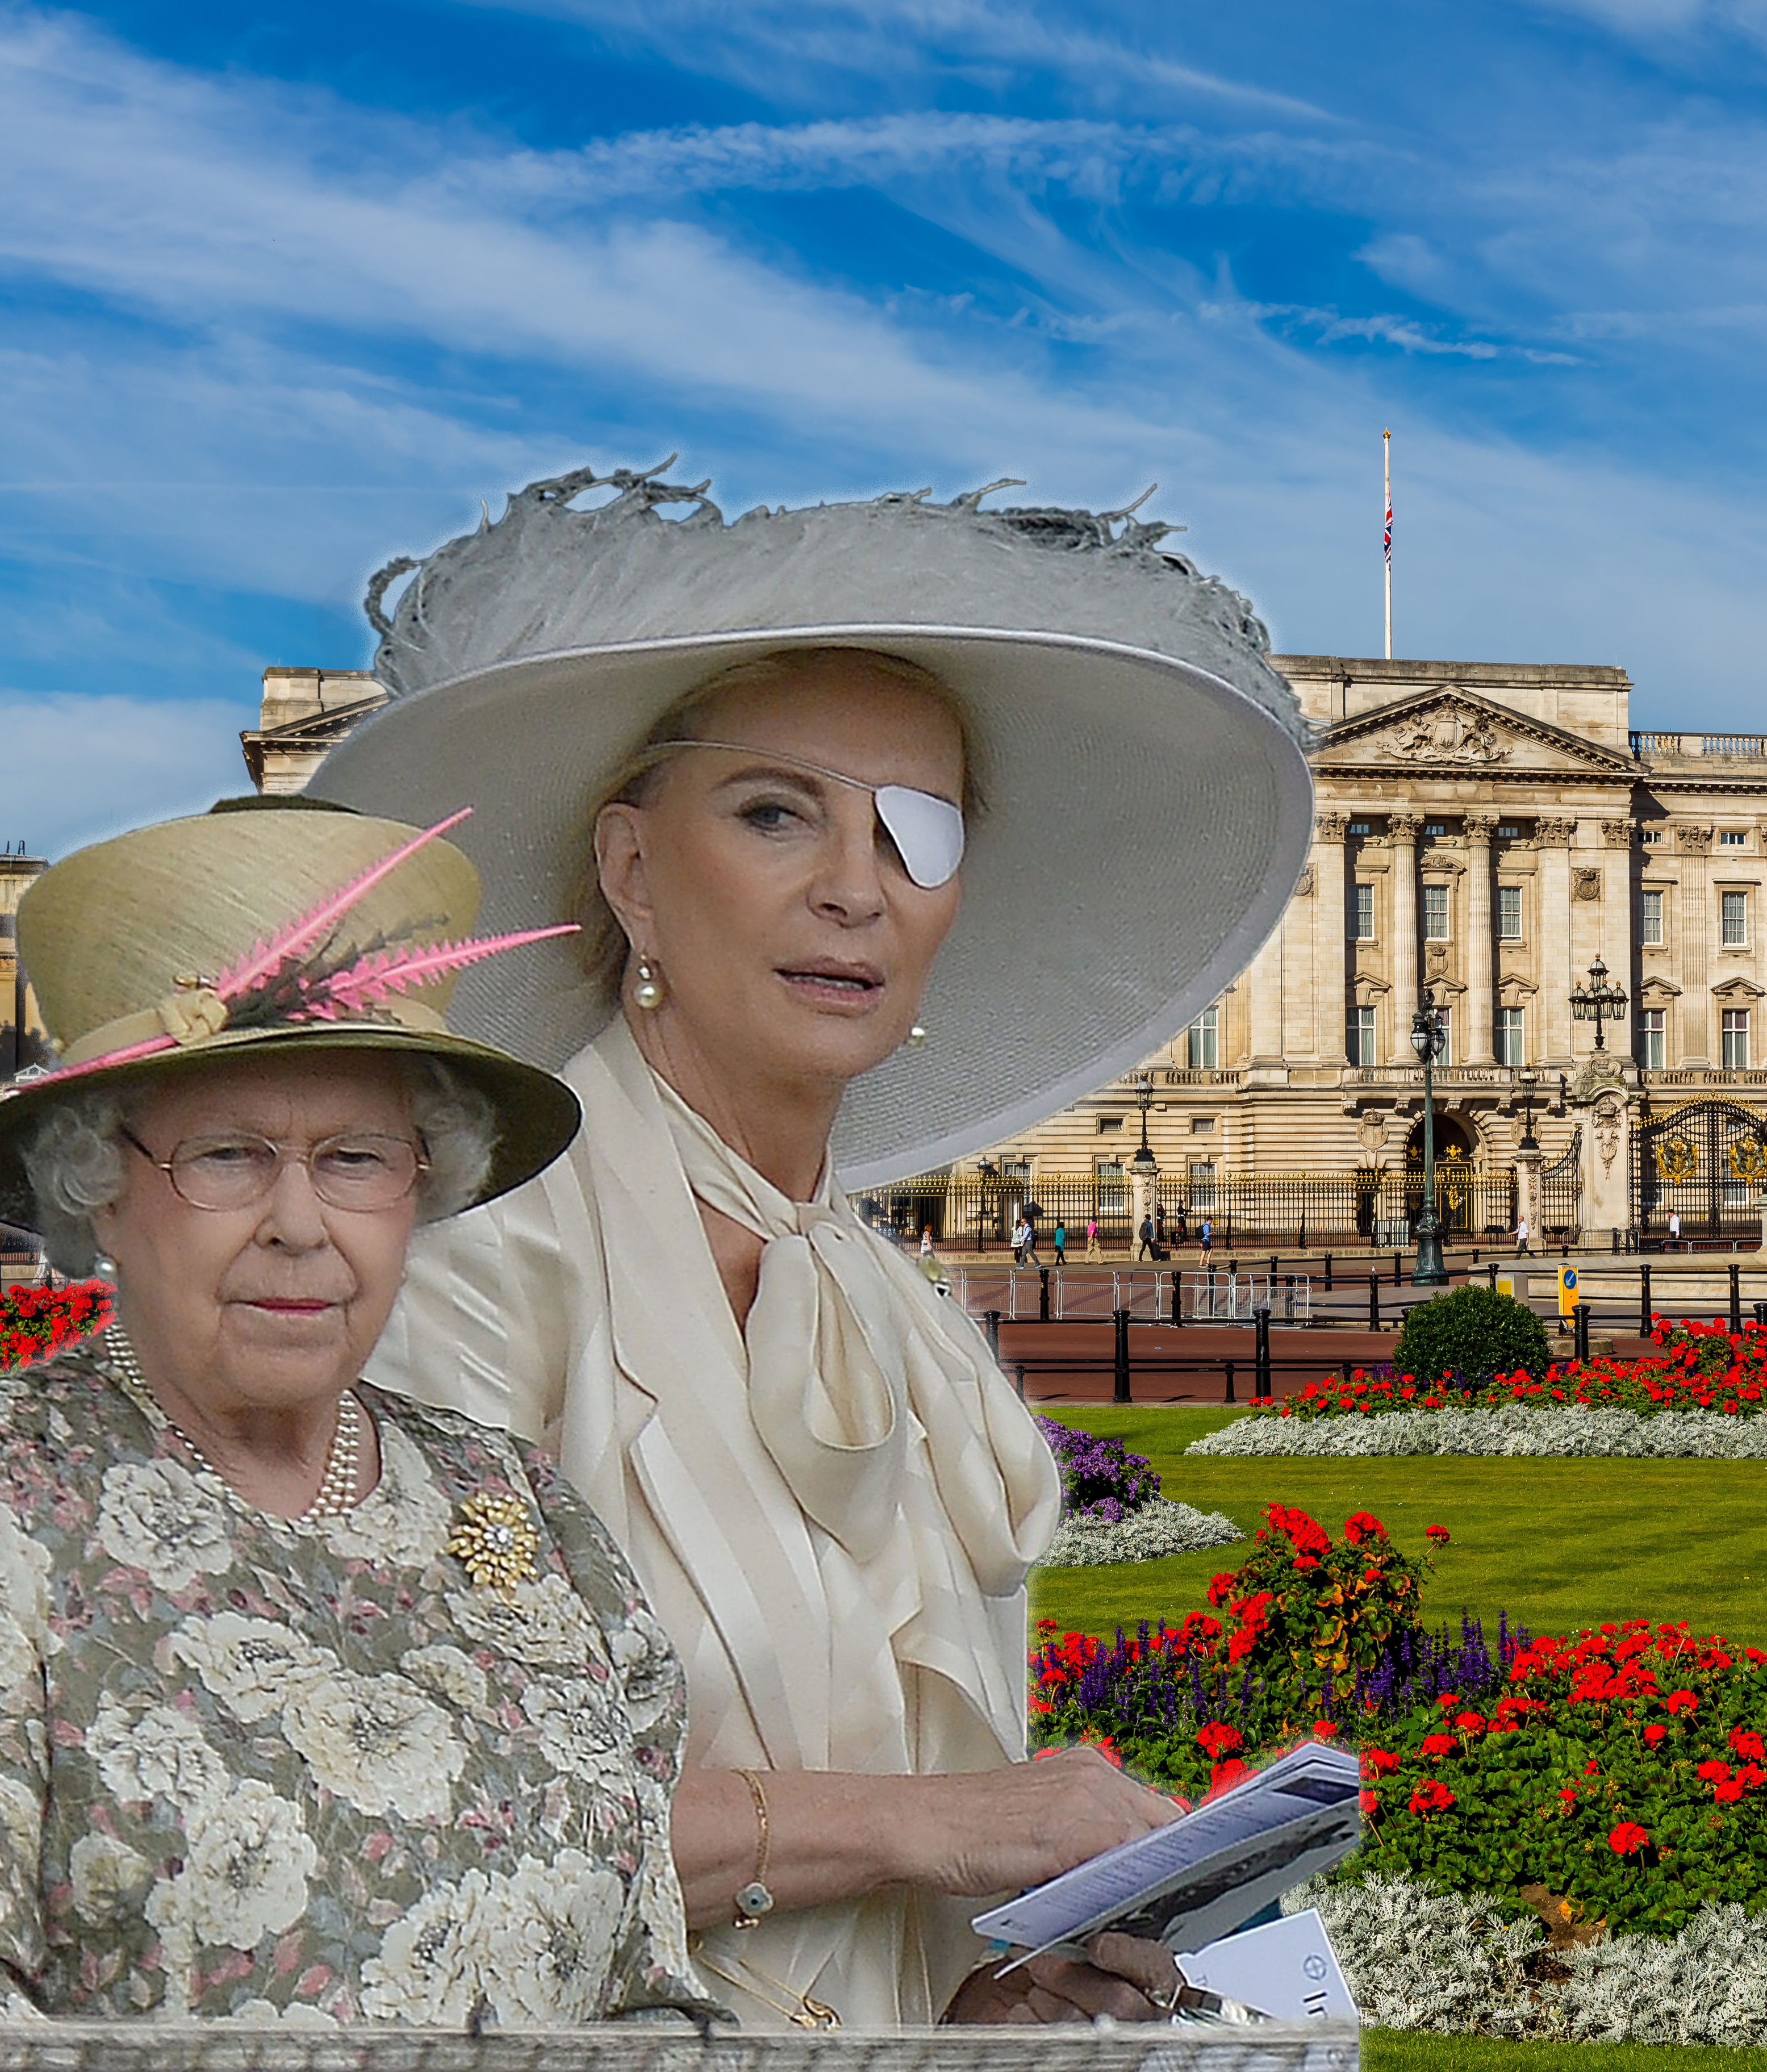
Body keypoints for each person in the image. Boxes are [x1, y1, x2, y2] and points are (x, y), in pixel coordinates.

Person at [314, 467, 1315, 2027]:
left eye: (916, 832)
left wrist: (991, 2005)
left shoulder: (898, 1324)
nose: (859, 886)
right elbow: (414, 1812)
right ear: (632, 872)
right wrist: (947, 1826)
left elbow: (857, 1940)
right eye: (778, 812)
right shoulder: (457, 1272)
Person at [0, 800, 714, 2023]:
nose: (301, 1224)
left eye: (358, 1159)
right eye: (225, 1155)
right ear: (99, 1187)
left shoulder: (516, 1501)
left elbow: (650, 1986)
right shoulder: (1, 1507)